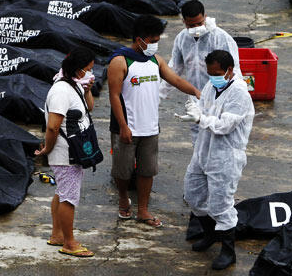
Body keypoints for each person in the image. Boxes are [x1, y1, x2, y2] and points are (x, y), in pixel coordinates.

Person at [108, 14, 201, 228]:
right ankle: (123, 198)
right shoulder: (120, 62)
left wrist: (196, 91)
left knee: (147, 170)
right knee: (122, 171)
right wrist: (122, 126)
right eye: (152, 40)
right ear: (140, 39)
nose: (155, 44)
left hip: (150, 127)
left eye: (157, 40)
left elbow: (175, 80)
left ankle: (142, 210)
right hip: (127, 127)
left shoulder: (155, 60)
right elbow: (113, 96)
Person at [178, 50, 254, 270]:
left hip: (226, 157)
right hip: (203, 152)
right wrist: (194, 109)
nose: (212, 77)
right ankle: (210, 234)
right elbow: (203, 110)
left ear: (230, 70)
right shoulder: (212, 87)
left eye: (217, 73)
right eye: (210, 73)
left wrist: (200, 118)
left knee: (221, 205)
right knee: (192, 195)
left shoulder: (240, 93)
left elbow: (224, 126)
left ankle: (228, 251)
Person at [35, 47, 97, 257]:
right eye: (87, 70)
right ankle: (69, 243)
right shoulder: (61, 91)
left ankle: (57, 235)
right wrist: (48, 149)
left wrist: (88, 89)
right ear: (78, 70)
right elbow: (53, 126)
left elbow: (89, 108)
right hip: (65, 152)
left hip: (71, 151)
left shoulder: (75, 85)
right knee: (69, 198)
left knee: (62, 192)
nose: (90, 73)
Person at [159, 0, 242, 143]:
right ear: (184, 22)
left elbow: (234, 71)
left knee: (219, 138)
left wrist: (235, 99)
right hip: (196, 100)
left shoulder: (221, 38)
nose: (197, 28)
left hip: (219, 99)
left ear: (205, 17)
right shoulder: (182, 39)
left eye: (200, 23)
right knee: (198, 142)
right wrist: (156, 96)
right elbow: (174, 71)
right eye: (191, 25)